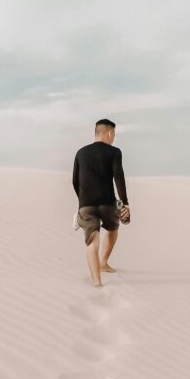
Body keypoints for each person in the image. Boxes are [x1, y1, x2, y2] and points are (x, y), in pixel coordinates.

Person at [72, 119, 129, 287]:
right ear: (110, 133)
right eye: (114, 135)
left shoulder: (80, 153)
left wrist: (82, 201)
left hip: (86, 205)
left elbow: (75, 181)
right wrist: (125, 202)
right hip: (108, 204)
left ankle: (97, 282)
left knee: (92, 242)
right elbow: (118, 176)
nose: (114, 138)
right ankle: (103, 262)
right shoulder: (114, 152)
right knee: (113, 229)